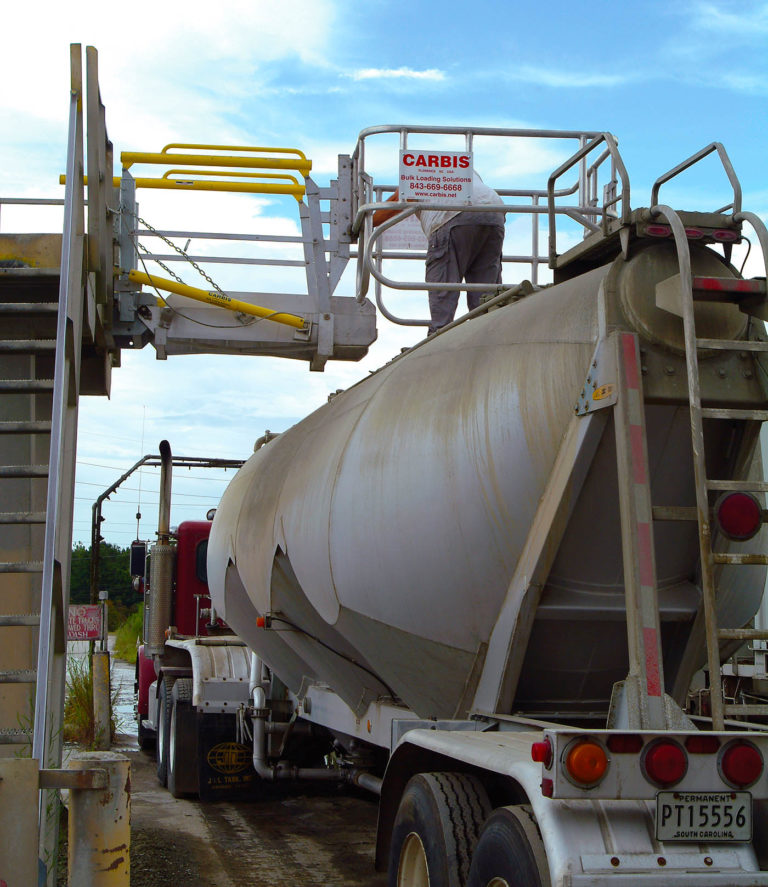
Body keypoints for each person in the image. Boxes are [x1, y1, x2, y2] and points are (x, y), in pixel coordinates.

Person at [372, 171, 506, 335]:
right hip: (494, 212)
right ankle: (485, 335)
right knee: (485, 291)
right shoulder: (460, 170)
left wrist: (363, 223)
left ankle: (439, 334)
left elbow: (397, 202)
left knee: (443, 282)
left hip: (452, 214)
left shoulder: (420, 171)